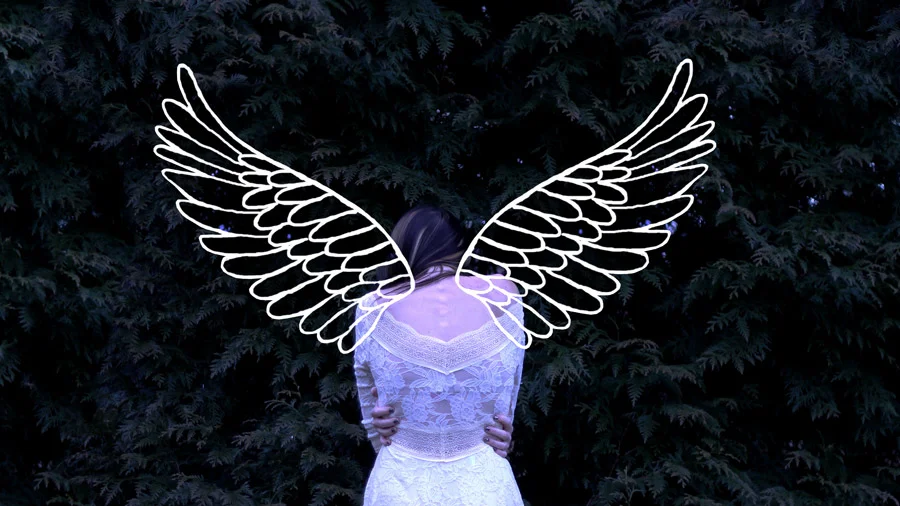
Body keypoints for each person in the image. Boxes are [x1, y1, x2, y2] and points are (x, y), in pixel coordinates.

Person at [353, 205, 527, 505]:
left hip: (400, 486)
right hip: (486, 487)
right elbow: (506, 405)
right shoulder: (505, 294)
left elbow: (374, 424)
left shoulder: (373, 307)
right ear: (461, 248)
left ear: (400, 248)